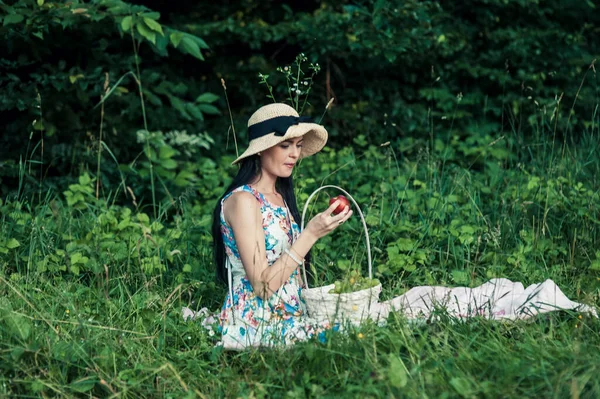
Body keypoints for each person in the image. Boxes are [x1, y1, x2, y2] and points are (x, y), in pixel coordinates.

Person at [211, 103, 352, 348]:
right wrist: (310, 234)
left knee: (358, 317)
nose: (295, 154)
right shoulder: (244, 201)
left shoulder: (280, 198)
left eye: (298, 146)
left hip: (292, 309)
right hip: (258, 317)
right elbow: (262, 287)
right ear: (260, 150)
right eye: (285, 145)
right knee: (343, 333)